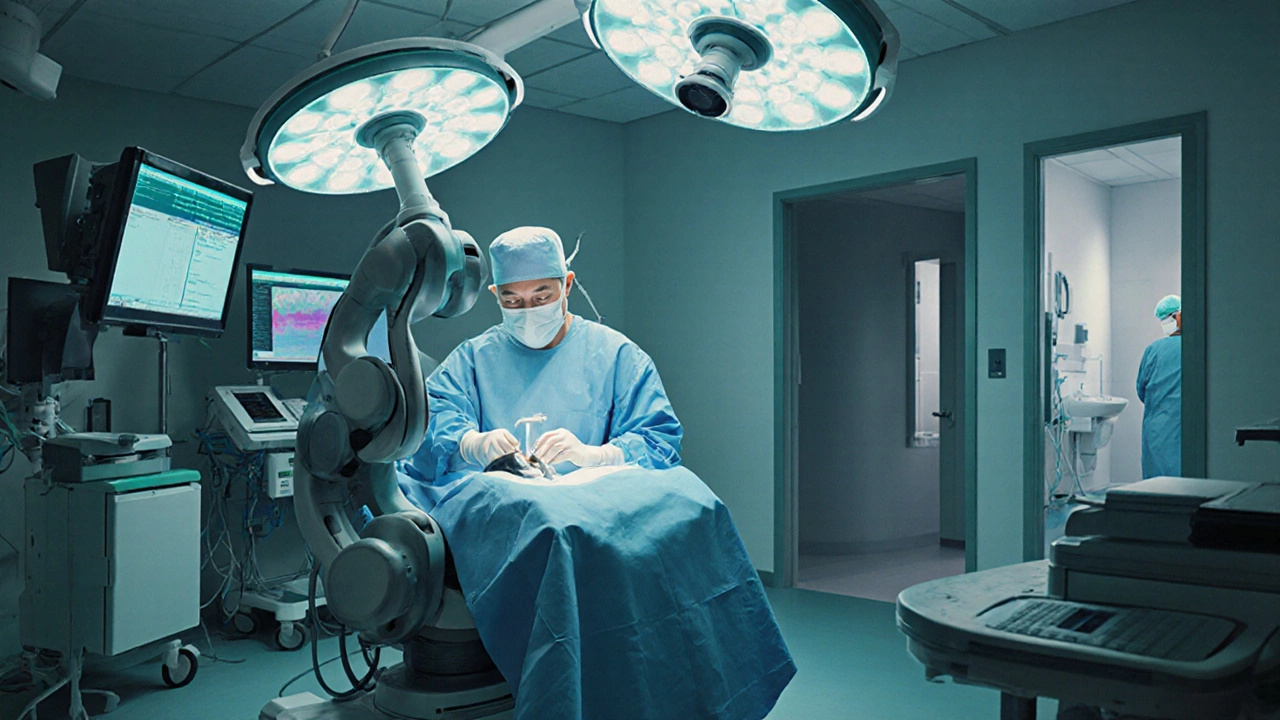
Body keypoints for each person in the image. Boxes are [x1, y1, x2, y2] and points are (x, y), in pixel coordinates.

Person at [402, 226, 795, 720]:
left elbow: (658, 438)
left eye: (542, 295)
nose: (528, 310)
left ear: (567, 284)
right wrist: (470, 442)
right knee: (554, 529)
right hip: (529, 512)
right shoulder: (474, 359)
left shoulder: (615, 355)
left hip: (597, 501)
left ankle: (715, 685)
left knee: (695, 504)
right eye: (513, 300)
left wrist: (598, 455)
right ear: (495, 295)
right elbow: (433, 424)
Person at [1136, 294, 1182, 479]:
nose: (1166, 323)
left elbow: (1141, 390)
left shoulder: (1154, 350)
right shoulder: (1196, 346)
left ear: (1179, 316)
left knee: (1157, 483)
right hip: (1184, 423)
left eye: (1169, 318)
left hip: (1158, 426)